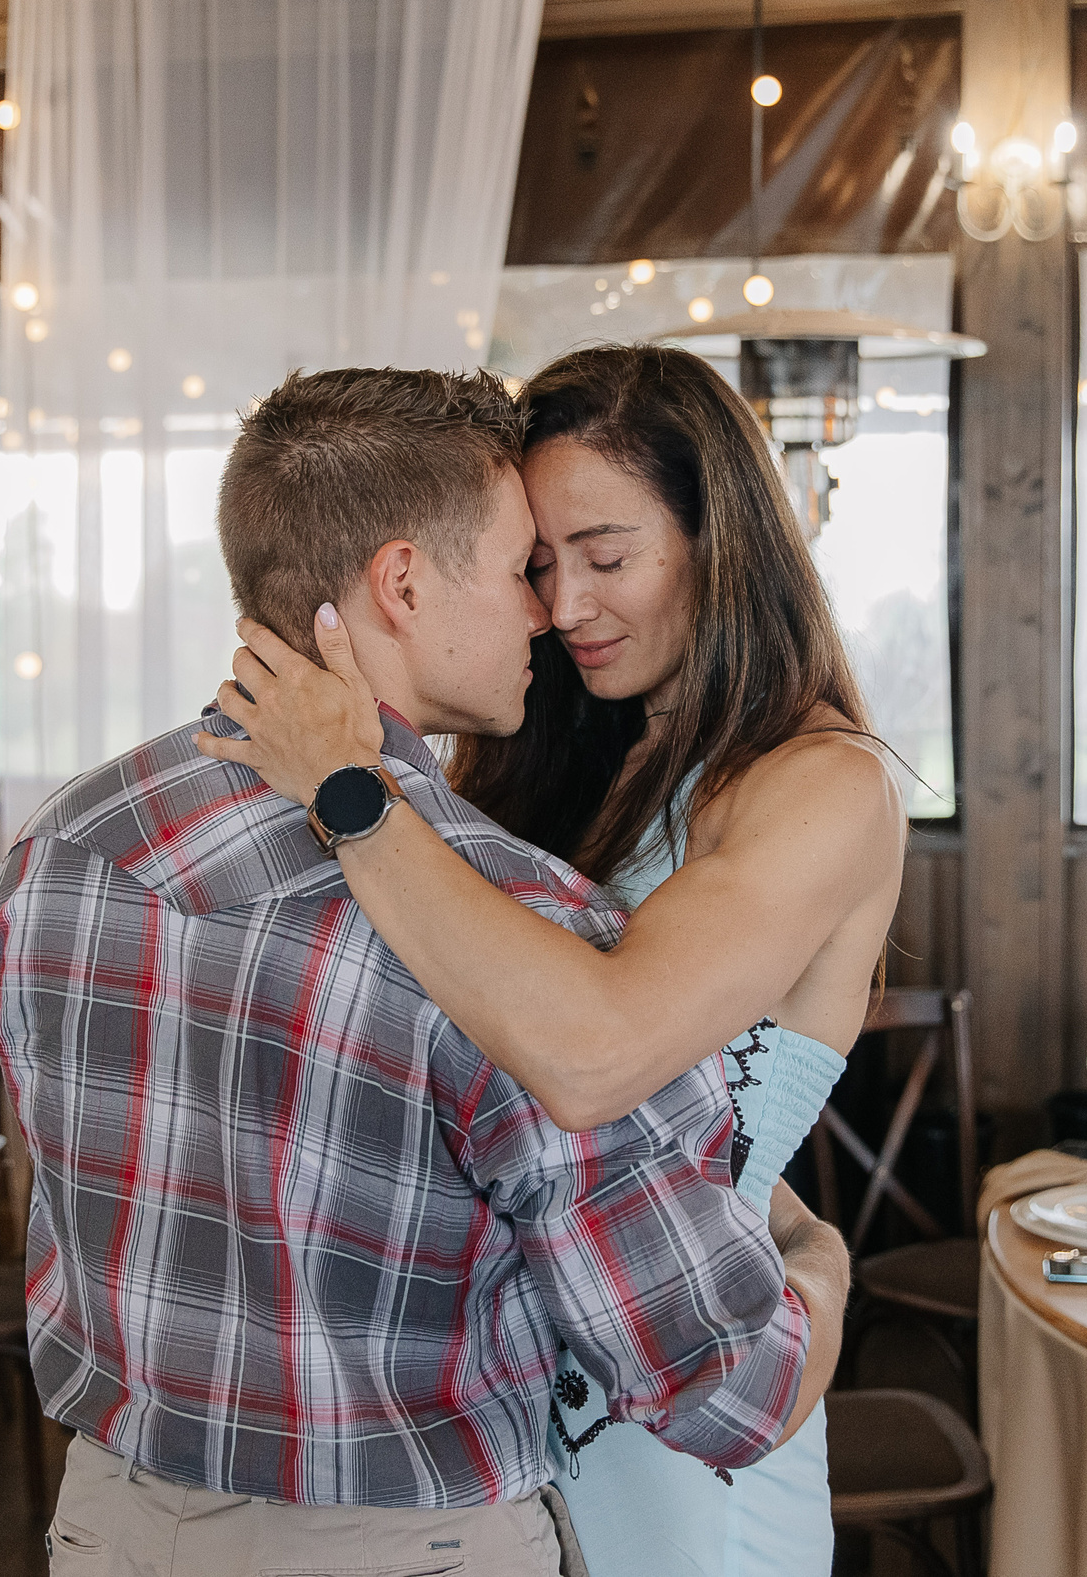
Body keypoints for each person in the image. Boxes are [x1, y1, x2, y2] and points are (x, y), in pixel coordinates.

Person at [0, 365, 847, 1577]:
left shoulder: (64, 845)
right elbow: (726, 1394)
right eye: (515, 567)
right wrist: (822, 1273)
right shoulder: (516, 927)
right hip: (404, 1545)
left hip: (108, 1525)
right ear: (400, 581)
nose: (544, 611)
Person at [199, 344, 909, 1577]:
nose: (563, 606)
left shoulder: (823, 787)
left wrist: (348, 786)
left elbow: (598, 1056)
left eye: (607, 558)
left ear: (721, 540)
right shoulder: (559, 765)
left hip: (686, 1386)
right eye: (535, 565)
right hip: (495, 1390)